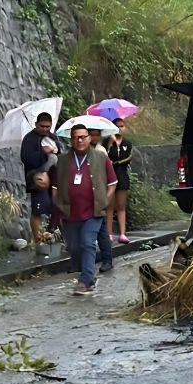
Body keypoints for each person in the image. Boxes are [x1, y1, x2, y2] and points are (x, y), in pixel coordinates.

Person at [53, 124, 117, 296]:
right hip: (70, 212)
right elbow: (54, 186)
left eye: (83, 137)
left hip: (93, 211)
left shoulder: (101, 157)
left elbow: (112, 183)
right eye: (75, 137)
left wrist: (105, 201)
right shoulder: (63, 160)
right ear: (71, 139)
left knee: (88, 243)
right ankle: (88, 274)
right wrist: (58, 203)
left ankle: (85, 280)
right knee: (74, 247)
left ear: (89, 138)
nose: (79, 140)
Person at [20, 112, 60, 242]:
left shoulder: (53, 137)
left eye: (48, 127)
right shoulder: (29, 139)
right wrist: (42, 153)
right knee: (37, 210)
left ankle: (52, 236)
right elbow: (26, 159)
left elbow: (60, 153)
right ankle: (38, 240)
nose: (45, 129)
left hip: (53, 178)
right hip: (36, 178)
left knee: (55, 207)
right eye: (42, 126)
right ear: (36, 124)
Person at [88, 127, 115, 272]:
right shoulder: (80, 151)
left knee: (101, 229)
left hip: (98, 193)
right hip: (84, 195)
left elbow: (107, 175)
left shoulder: (101, 151)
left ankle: (107, 259)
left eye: (96, 135)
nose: (94, 138)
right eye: (91, 135)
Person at [105, 117, 133, 244]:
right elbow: (103, 156)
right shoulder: (106, 142)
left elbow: (127, 158)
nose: (120, 129)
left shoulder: (127, 143)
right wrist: (110, 145)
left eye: (122, 126)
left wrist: (115, 162)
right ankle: (108, 233)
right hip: (109, 177)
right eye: (117, 126)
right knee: (109, 206)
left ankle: (122, 234)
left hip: (122, 175)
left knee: (121, 206)